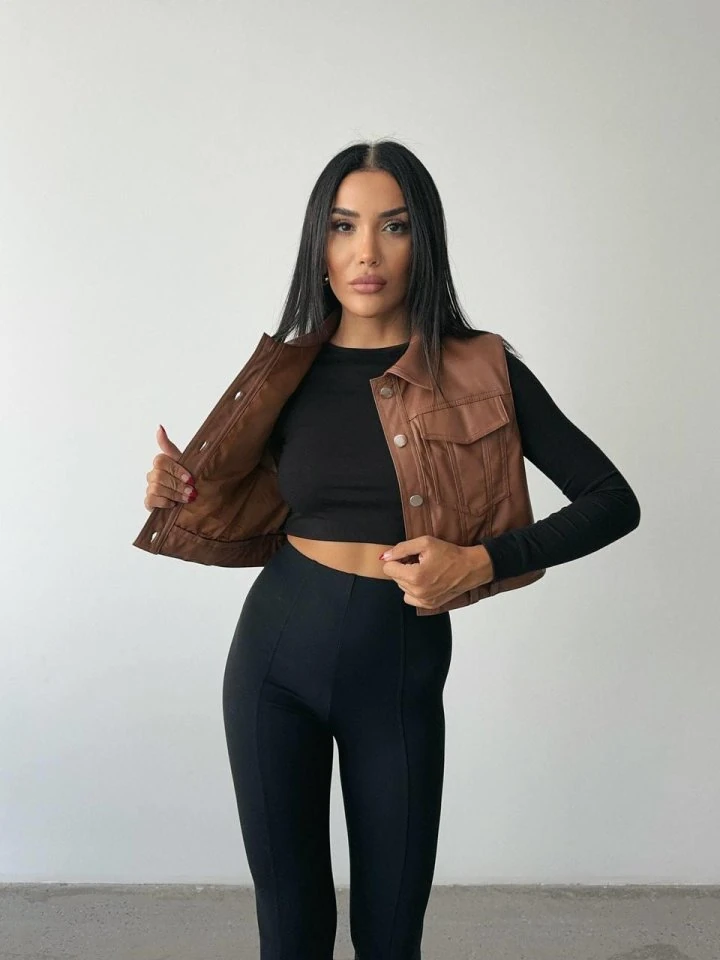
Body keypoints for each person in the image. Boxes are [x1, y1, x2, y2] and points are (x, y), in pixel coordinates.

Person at [142, 139, 640, 960]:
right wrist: (174, 488)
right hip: (272, 660)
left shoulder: (482, 368)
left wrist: (481, 562)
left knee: (390, 936)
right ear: (319, 244)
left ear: (424, 241)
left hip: (399, 667)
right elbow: (233, 495)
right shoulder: (283, 371)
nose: (366, 252)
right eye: (343, 226)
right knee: (290, 933)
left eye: (393, 226)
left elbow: (612, 501)